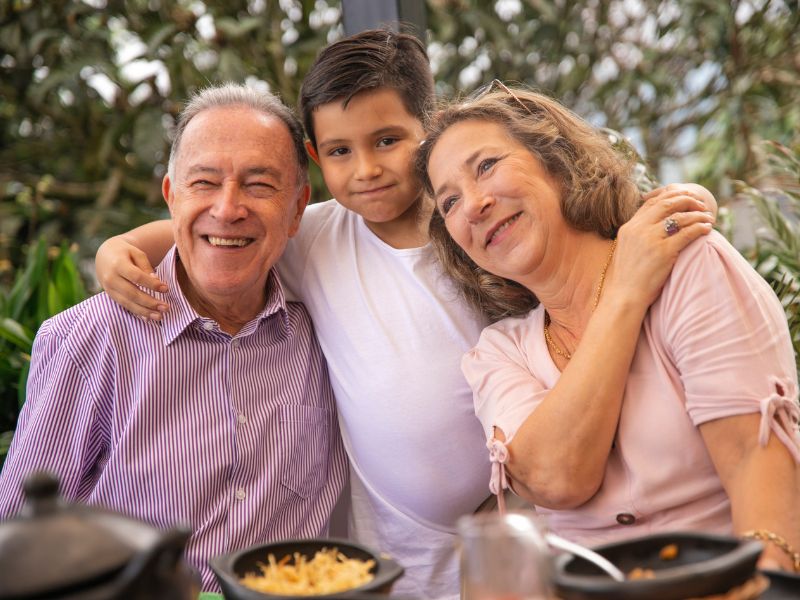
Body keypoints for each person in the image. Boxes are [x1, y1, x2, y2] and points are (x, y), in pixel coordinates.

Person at [92, 31, 719, 598]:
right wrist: (118, 250)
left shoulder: (484, 230)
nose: (365, 170)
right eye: (339, 151)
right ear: (314, 156)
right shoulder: (314, 236)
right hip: (391, 553)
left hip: (519, 527)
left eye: (387, 140)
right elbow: (213, 226)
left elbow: (595, 236)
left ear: (430, 127)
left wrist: (668, 211)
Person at [415, 84, 800, 572]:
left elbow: (755, 460)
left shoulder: (688, 266)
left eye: (486, 166)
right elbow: (555, 478)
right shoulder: (498, 352)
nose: (472, 204)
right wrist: (623, 295)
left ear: (555, 159)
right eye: (448, 203)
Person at [0, 84, 348, 592]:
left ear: (298, 209)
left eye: (259, 185)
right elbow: (18, 543)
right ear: (171, 196)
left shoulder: (325, 331)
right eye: (204, 182)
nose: (228, 209)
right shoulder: (92, 339)